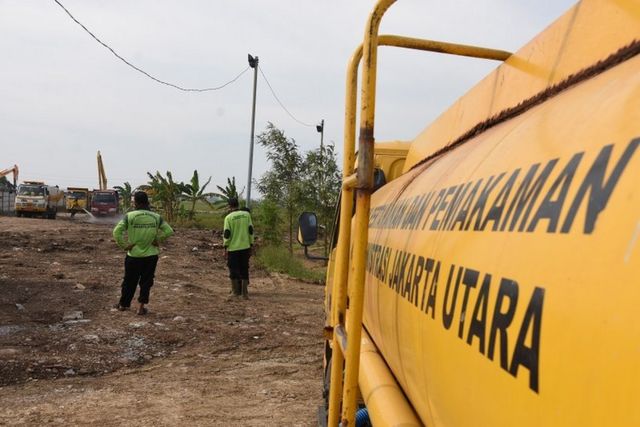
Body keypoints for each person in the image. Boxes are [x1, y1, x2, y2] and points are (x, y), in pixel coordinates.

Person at [112, 191, 173, 314]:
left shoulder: (130, 216)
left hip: (133, 256)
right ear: (148, 202)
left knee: (129, 281)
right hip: (151, 256)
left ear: (135, 203)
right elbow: (169, 231)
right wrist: (158, 240)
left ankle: (124, 305)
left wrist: (124, 246)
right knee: (146, 282)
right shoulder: (156, 217)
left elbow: (116, 232)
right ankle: (141, 307)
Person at [223, 197, 254, 299]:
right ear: (238, 204)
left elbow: (227, 234)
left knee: (233, 269)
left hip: (233, 248)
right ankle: (244, 294)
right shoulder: (246, 215)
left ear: (229, 206)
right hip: (245, 247)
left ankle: (235, 292)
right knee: (244, 268)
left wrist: (225, 247)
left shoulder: (228, 218)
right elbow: (250, 230)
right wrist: (251, 244)